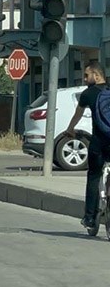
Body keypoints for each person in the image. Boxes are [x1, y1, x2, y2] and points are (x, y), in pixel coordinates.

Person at [64, 60, 109, 229]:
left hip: (99, 142)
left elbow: (77, 115)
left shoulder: (88, 94)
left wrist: (70, 129)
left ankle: (90, 217)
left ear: (96, 76)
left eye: (86, 75)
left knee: (94, 175)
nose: (84, 79)